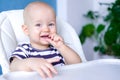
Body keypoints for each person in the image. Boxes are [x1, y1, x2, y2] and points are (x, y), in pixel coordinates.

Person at [9, 1, 82, 79]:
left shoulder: (57, 49)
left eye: (51, 24)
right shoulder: (25, 49)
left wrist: (62, 47)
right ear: (26, 30)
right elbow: (13, 66)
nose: (46, 29)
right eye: (38, 25)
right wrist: (30, 63)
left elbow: (78, 65)